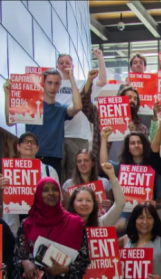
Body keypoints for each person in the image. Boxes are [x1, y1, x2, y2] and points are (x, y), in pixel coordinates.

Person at [4, 68, 81, 182]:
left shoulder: (60, 109)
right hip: (31, 155)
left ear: (59, 85)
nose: (53, 87)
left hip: (53, 159)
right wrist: (7, 94)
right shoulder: (31, 106)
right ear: (43, 84)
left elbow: (78, 106)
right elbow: (10, 122)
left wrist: (71, 79)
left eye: (56, 84)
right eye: (49, 83)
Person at [99, 126, 161, 234]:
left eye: (139, 142)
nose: (136, 145)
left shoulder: (155, 168)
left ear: (144, 145)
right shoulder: (121, 167)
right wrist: (104, 139)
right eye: (132, 143)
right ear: (128, 147)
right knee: (120, 226)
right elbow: (104, 165)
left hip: (146, 214)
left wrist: (156, 204)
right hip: (124, 215)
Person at [0, 132, 60, 237]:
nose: (29, 144)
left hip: (42, 226)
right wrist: (0, 189)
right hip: (15, 227)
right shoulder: (9, 170)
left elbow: (58, 201)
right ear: (18, 147)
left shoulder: (49, 171)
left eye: (33, 142)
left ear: (37, 149)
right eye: (25, 142)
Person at [57, 50, 107, 182]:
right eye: (61, 63)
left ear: (73, 66)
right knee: (59, 173)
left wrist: (100, 58)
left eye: (67, 62)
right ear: (57, 66)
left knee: (77, 173)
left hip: (79, 135)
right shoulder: (52, 84)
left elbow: (102, 81)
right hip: (58, 135)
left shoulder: (82, 83)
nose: (64, 65)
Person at [82, 69, 150, 164]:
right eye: (129, 97)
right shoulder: (102, 115)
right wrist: (89, 81)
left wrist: (135, 132)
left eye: (135, 99)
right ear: (120, 99)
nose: (132, 101)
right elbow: (85, 106)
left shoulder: (142, 128)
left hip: (128, 170)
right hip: (103, 167)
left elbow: (145, 151)